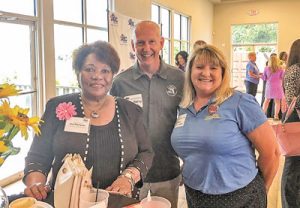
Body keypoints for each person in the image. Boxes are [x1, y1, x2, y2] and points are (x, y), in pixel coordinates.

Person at [23, 41, 153, 201]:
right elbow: (38, 156)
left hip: (119, 200)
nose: (97, 76)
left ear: (113, 75)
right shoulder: (56, 107)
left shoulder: (130, 111)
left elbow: (146, 152)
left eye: (105, 70)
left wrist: (128, 177)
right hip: (67, 202)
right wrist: (36, 184)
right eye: (89, 69)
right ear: (78, 73)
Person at [171, 45, 280, 208]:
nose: (206, 73)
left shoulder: (240, 102)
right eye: (199, 67)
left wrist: (261, 191)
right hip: (195, 194)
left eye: (213, 68)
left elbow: (272, 153)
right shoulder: (183, 106)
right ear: (190, 71)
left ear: (222, 72)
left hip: (240, 197)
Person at [110, 20, 184, 207]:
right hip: (132, 173)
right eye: (140, 42)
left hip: (168, 169)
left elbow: (189, 121)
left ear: (161, 43)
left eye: (152, 42)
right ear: (133, 45)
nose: (146, 48)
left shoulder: (179, 79)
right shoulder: (121, 82)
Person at [281, 39, 300, 208]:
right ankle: (289, 203)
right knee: (292, 166)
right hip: (295, 122)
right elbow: (292, 99)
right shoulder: (294, 70)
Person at [262, 55, 285, 120]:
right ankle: (276, 116)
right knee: (277, 102)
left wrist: (259, 76)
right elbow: (282, 77)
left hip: (269, 87)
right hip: (278, 87)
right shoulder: (280, 69)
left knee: (266, 101)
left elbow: (264, 78)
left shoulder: (266, 68)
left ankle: (263, 115)